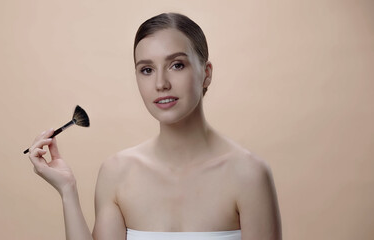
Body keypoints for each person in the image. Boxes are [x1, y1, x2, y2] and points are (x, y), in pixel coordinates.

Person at [28, 12, 282, 240]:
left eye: (177, 65)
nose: (161, 83)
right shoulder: (117, 173)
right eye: (147, 70)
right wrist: (67, 190)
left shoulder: (248, 174)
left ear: (206, 73)